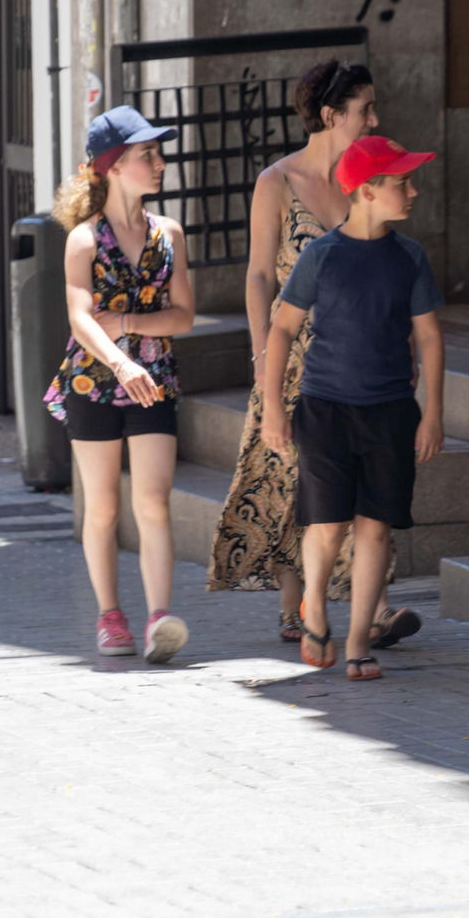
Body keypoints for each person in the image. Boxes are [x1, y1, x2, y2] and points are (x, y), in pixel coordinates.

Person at [209, 60, 420, 650]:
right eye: (364, 109)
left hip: (362, 353)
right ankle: (296, 604)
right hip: (293, 354)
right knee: (288, 484)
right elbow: (257, 275)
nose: (374, 118)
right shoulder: (277, 182)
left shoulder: (367, 180)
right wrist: (260, 359)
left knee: (357, 482)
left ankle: (368, 607)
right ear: (332, 115)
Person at [260, 136, 445, 681]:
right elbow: (282, 329)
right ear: (366, 190)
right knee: (327, 524)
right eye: (401, 182)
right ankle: (313, 602)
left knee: (376, 530)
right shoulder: (322, 256)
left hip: (390, 412)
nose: (412, 191)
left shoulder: (410, 257)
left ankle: (360, 641)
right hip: (325, 410)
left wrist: (433, 413)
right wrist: (274, 407)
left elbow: (430, 339)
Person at [45, 105, 194, 663]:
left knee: (153, 500)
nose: (158, 163)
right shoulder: (83, 240)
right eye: (145, 155)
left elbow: (183, 316)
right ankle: (111, 616)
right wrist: (121, 362)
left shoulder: (169, 233)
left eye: (157, 153)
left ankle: (160, 617)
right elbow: (80, 319)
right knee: (103, 508)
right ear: (112, 167)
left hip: (154, 381)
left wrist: (131, 327)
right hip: (94, 384)